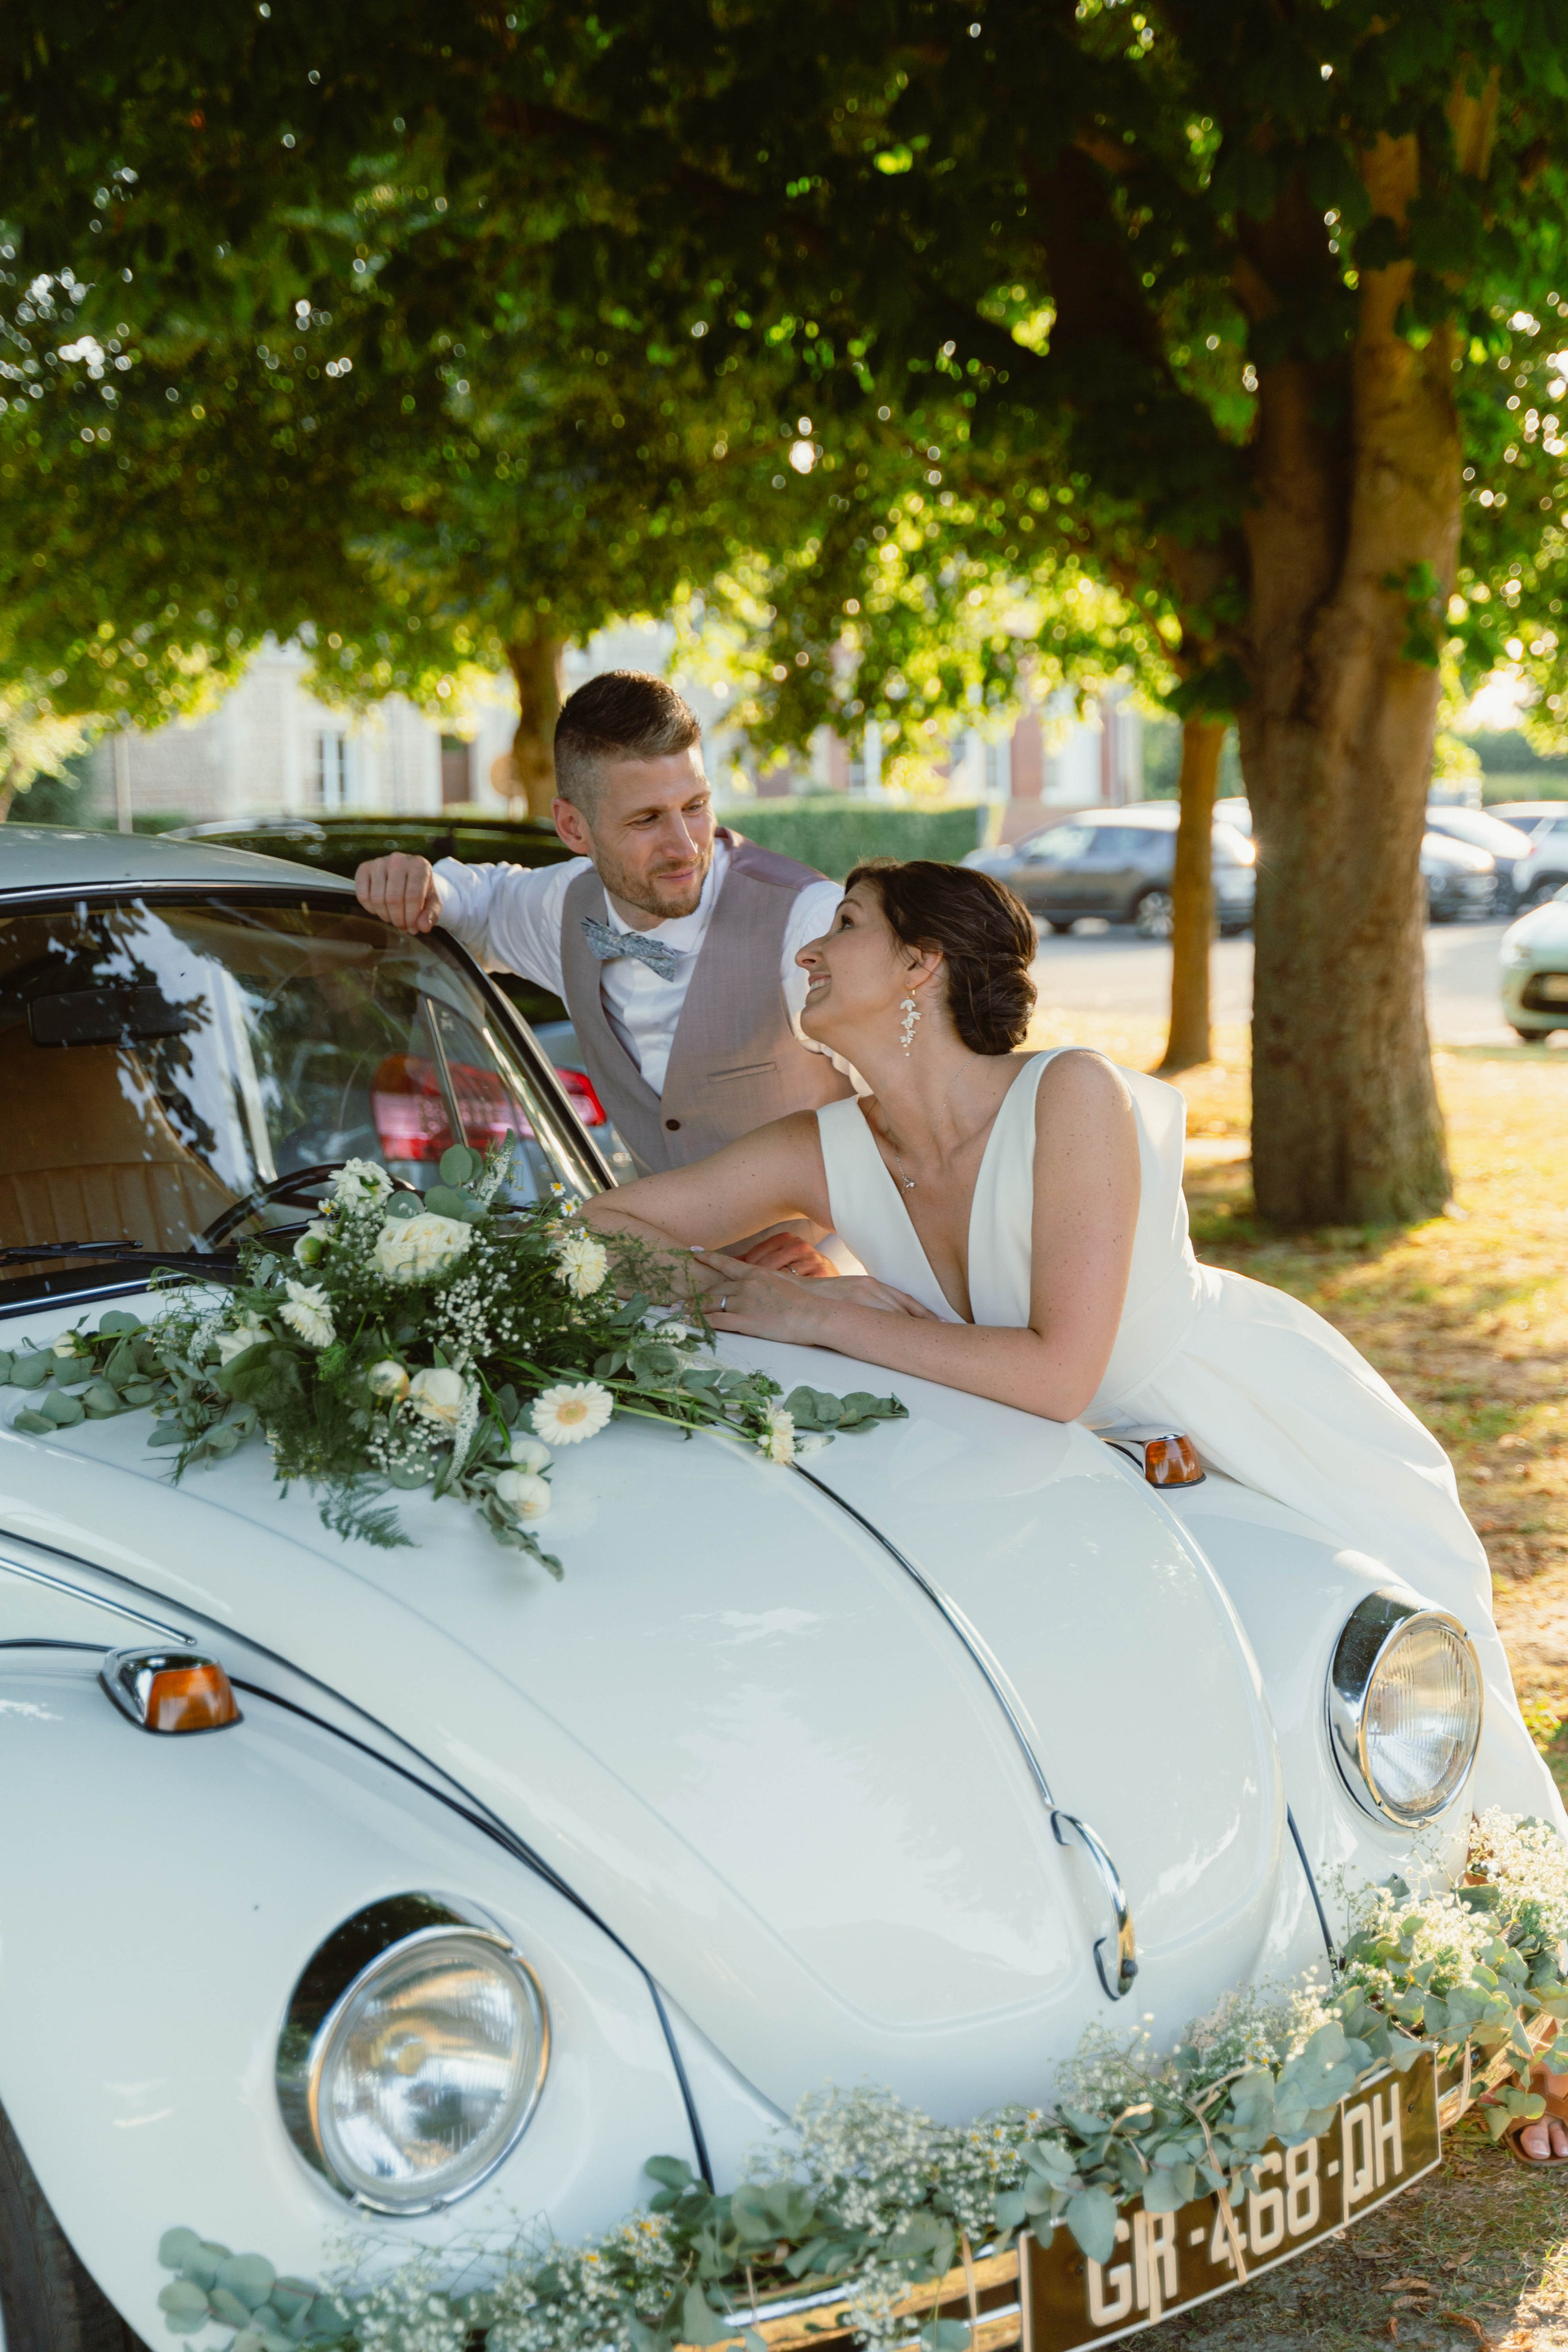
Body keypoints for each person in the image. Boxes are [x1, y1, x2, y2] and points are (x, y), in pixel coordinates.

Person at [583, 858, 1566, 2154]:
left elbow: (1059, 1372)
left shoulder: (1072, 1097)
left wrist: (822, 1313)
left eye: (845, 930)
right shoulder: (826, 1148)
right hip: (1042, 1484)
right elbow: (598, 1226)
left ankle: (1539, 2015)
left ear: (923, 967)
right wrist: (754, 1290)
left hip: (1224, 1432)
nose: (809, 952)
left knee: (1404, 1713)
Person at [353, 669, 852, 1268]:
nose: (684, 846)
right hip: (666, 1305)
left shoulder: (808, 923)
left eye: (695, 807)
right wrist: (415, 881)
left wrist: (841, 1262)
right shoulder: (567, 908)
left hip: (826, 1309)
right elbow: (475, 905)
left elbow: (929, 1128)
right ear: (572, 827)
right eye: (646, 820)